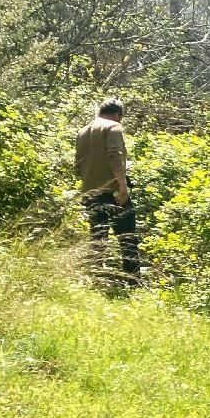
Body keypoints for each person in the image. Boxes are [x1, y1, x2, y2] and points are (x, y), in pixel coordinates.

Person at [75, 98, 141, 282]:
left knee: (98, 236)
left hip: (89, 192)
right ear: (117, 115)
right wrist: (122, 187)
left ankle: (95, 277)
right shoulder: (113, 127)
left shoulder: (82, 131)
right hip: (112, 192)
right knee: (127, 236)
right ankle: (133, 280)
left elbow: (77, 167)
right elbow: (114, 155)